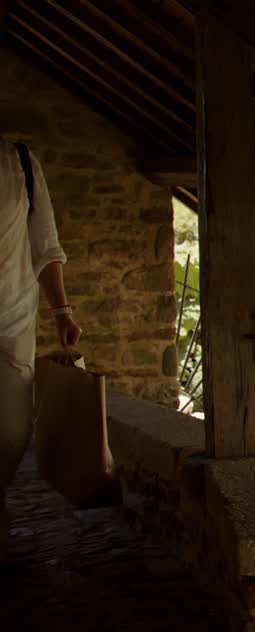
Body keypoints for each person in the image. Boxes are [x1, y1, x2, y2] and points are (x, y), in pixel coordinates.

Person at [0, 141, 80, 560]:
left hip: (11, 321)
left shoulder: (22, 165)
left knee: (13, 432)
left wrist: (61, 312)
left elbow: (45, 244)